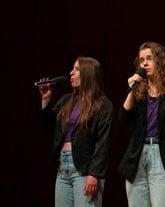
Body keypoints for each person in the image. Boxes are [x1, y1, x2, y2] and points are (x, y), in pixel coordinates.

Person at [117, 42, 165, 207]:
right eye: (142, 60)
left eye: (149, 58)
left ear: (160, 61)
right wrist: (132, 91)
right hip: (137, 157)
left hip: (163, 157)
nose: (145, 63)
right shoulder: (138, 92)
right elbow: (123, 119)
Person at [37, 56, 114, 207]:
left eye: (76, 69)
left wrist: (94, 174)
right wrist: (46, 100)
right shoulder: (67, 100)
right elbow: (46, 126)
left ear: (88, 74)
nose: (71, 73)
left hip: (84, 169)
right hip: (63, 168)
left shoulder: (103, 105)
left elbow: (103, 143)